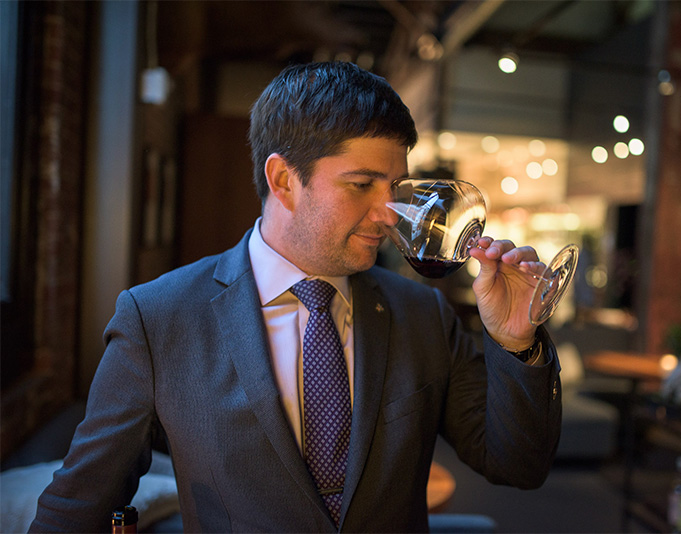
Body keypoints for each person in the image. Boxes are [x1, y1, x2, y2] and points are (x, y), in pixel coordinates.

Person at [30, 61, 562, 533]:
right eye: (362, 185)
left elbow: (518, 466)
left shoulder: (421, 313)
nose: (388, 213)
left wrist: (517, 343)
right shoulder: (159, 318)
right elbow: (81, 503)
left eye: (396, 187)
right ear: (284, 180)